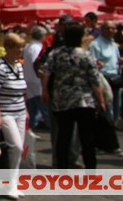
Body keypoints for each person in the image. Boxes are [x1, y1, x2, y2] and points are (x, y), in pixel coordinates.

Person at [42, 22, 107, 169]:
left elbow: (46, 72)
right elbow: (95, 80)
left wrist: (45, 91)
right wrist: (101, 100)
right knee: (87, 137)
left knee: (63, 135)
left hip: (61, 99)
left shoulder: (56, 53)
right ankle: (91, 170)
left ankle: (62, 168)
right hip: (84, 100)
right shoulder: (86, 55)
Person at [0, 32, 28, 200]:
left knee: (18, 150)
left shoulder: (19, 66)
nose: (20, 50)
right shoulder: (0, 67)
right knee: (16, 146)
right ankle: (9, 183)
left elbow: (21, 91)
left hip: (19, 111)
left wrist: (25, 109)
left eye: (22, 47)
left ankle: (13, 182)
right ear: (8, 48)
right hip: (6, 113)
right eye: (18, 47)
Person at [89, 21, 123, 126]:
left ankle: (113, 124)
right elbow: (92, 62)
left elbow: (116, 61)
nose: (110, 31)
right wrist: (97, 64)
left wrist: (121, 61)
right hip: (104, 78)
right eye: (107, 28)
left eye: (113, 28)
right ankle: (107, 126)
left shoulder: (114, 45)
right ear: (102, 30)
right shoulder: (95, 44)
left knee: (117, 105)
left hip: (116, 78)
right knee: (107, 105)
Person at [25, 25, 51, 130]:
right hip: (37, 81)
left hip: (29, 79)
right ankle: (51, 127)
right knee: (43, 107)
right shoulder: (37, 48)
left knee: (33, 107)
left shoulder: (28, 46)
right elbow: (37, 64)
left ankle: (30, 127)